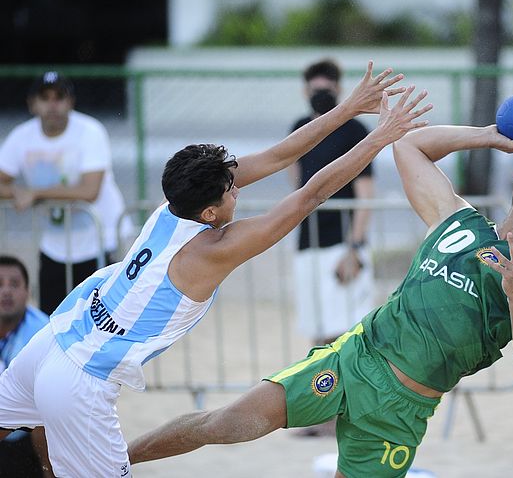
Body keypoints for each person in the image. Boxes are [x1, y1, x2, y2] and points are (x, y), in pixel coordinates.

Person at [0, 62, 430, 476]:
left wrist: (350, 108)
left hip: (53, 339)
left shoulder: (172, 204)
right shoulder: (212, 249)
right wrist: (380, 138)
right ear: (209, 211)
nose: (237, 191)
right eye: (231, 191)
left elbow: (280, 155)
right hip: (80, 381)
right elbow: (309, 196)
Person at [127, 123, 513, 478]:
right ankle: (114, 463)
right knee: (224, 425)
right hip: (353, 360)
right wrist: (488, 138)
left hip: (402, 408)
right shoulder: (458, 219)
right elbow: (411, 147)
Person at [288, 59, 376, 438]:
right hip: (308, 242)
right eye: (315, 87)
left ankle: (342, 415)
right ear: (304, 89)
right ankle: (318, 412)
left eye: (327, 87)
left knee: (343, 333)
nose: (320, 93)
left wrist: (355, 249)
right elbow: (296, 189)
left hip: (341, 243)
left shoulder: (356, 130)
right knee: (317, 330)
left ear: (340, 89)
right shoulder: (298, 130)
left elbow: (365, 195)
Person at [0, 71, 132, 315]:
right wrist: (16, 191)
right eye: (45, 97)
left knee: (103, 318)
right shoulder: (21, 137)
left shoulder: (90, 131)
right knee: (53, 318)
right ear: (32, 103)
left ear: (70, 102)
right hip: (54, 244)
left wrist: (34, 193)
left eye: (59, 97)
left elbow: (89, 190)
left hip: (100, 240)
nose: (52, 104)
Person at [0, 255, 52, 477]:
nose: (6, 291)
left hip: (26, 437)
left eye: (14, 284)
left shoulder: (45, 332)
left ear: (28, 292)